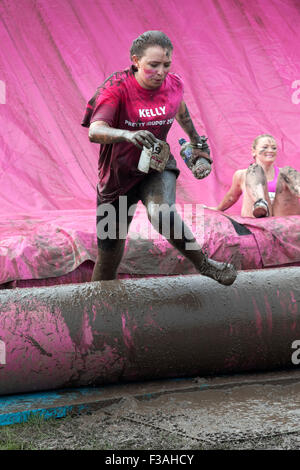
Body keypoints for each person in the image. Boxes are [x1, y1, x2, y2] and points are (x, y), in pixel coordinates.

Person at [82, 31, 237, 285]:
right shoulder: (116, 89)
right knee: (109, 255)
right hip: (117, 179)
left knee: (161, 212)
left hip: (157, 164)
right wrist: (127, 135)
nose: (161, 71)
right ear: (136, 61)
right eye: (153, 65)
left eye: (166, 65)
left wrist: (196, 141)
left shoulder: (173, 85)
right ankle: (100, 308)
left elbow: (180, 109)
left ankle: (205, 265)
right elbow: (95, 131)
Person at [207, 134, 300, 217]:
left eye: (274, 148)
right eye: (265, 147)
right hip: (257, 215)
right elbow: (231, 197)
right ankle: (260, 203)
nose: (270, 150)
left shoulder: (284, 174)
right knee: (254, 170)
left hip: (282, 214)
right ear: (254, 151)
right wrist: (218, 209)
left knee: (288, 171)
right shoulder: (242, 174)